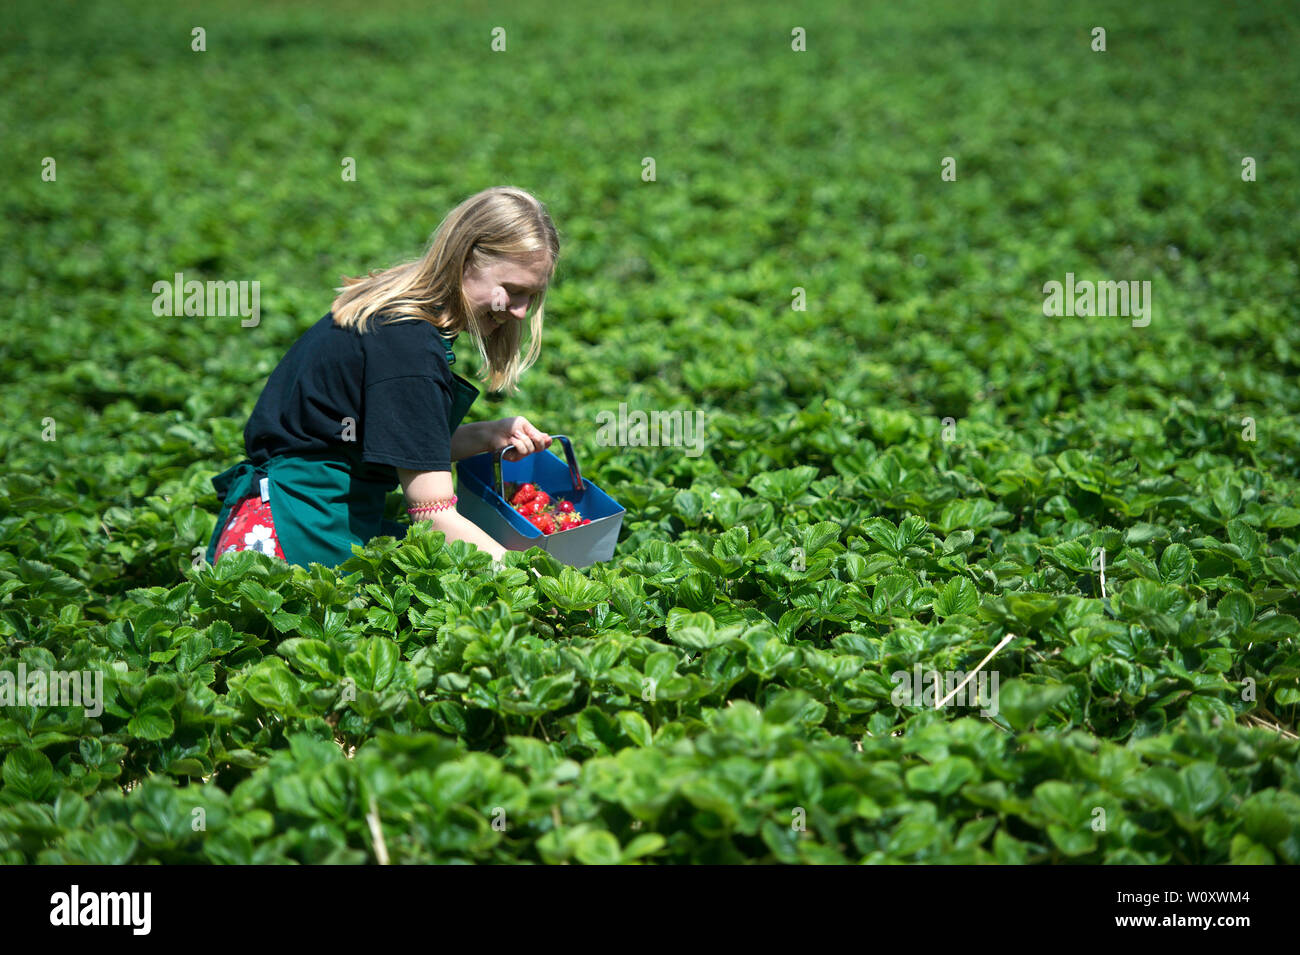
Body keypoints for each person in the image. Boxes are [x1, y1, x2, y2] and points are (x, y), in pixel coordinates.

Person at [204, 186, 559, 570]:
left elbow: (386, 443)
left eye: (532, 296)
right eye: (513, 291)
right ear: (465, 260)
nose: (522, 311)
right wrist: (537, 580)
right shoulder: (410, 346)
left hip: (274, 520)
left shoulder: (397, 317)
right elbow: (433, 513)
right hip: (297, 539)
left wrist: (486, 436)